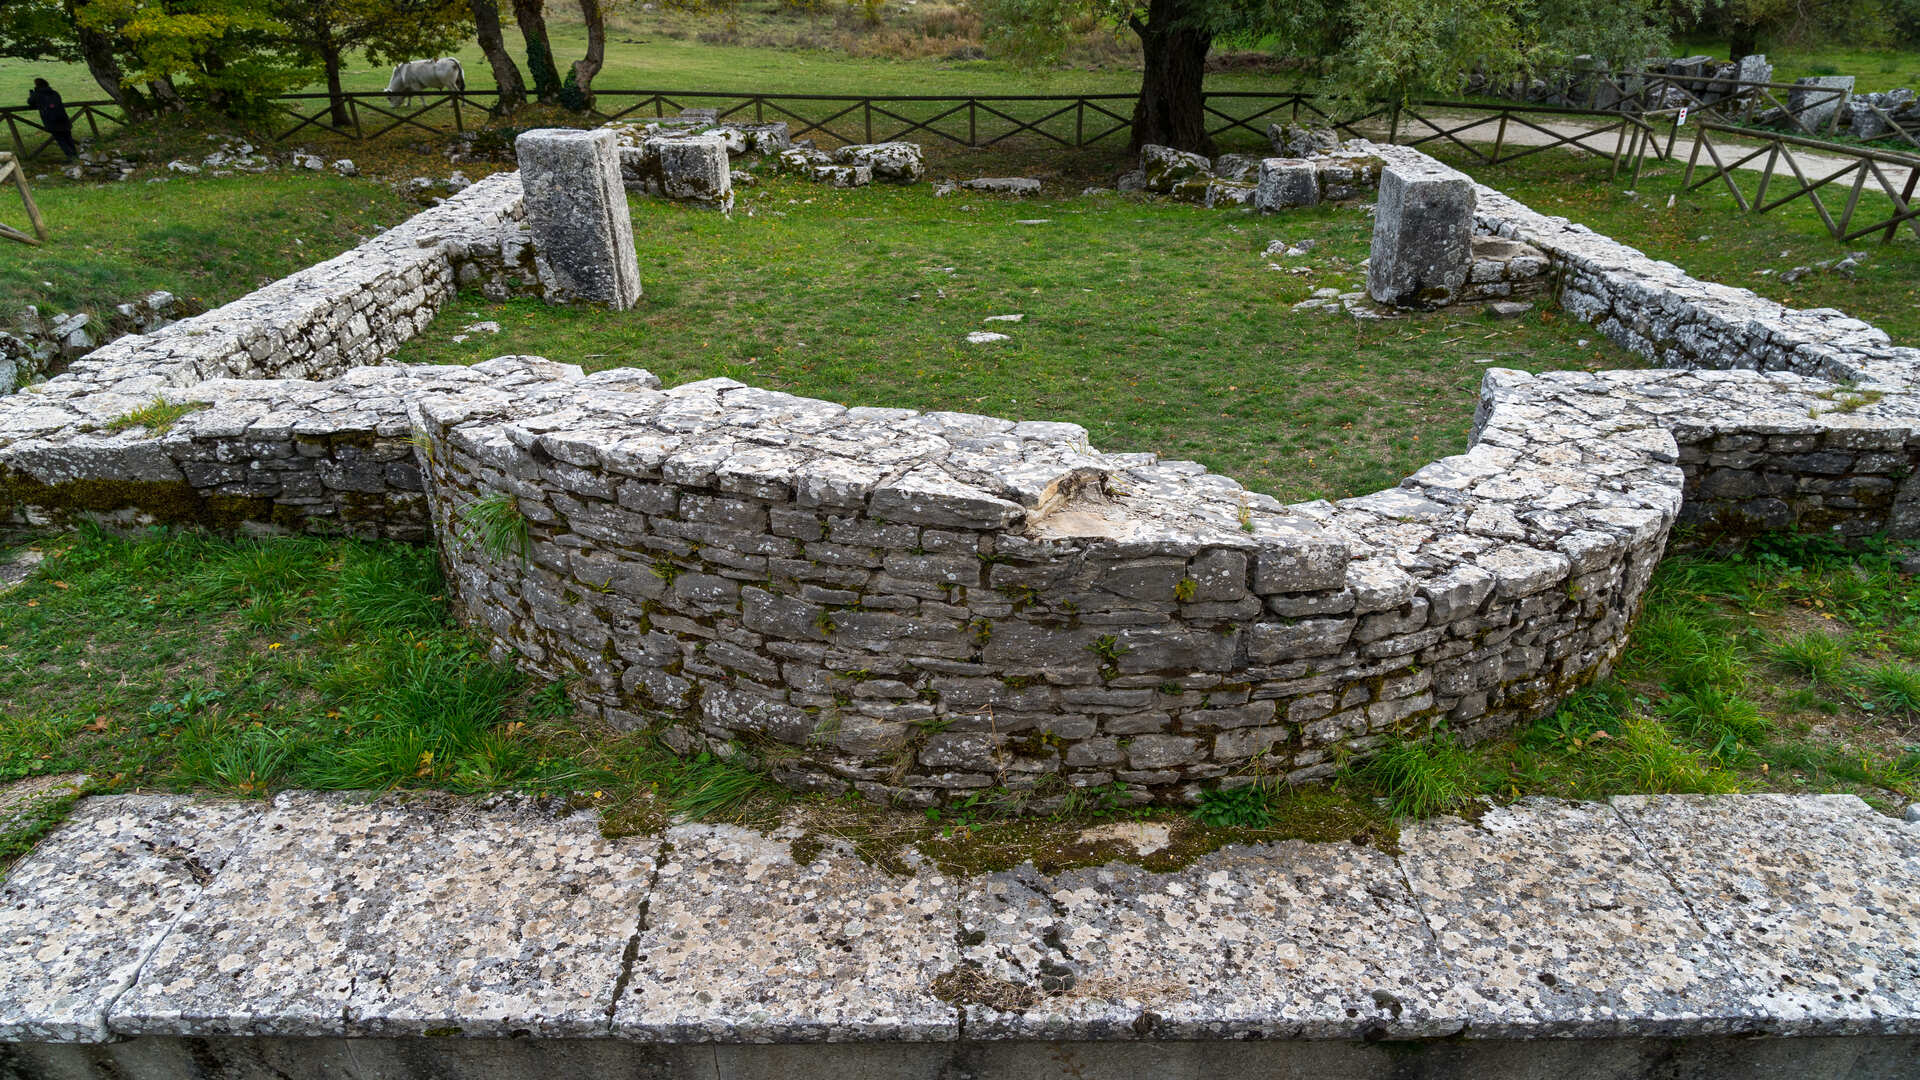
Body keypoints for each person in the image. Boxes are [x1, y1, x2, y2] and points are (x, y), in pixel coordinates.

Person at [26, 78, 78, 161]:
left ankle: (71, 156)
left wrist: (33, 94)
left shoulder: (38, 94)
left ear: (37, 86)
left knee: (60, 139)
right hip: (63, 118)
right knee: (68, 137)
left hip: (51, 120)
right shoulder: (55, 93)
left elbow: (30, 102)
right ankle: (75, 156)